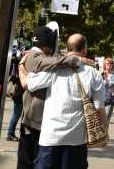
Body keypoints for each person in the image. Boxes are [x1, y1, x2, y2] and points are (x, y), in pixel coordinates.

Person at [27, 34, 105, 169]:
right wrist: (104, 133)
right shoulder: (94, 74)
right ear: (84, 49)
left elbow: (30, 84)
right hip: (77, 140)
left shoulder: (53, 69)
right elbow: (99, 108)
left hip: (50, 138)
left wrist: (22, 67)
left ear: (67, 48)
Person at [17, 26, 90, 169]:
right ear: (47, 44)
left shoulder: (42, 57)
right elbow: (46, 64)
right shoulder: (33, 57)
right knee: (28, 162)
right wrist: (77, 60)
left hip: (39, 122)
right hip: (34, 123)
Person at [6, 52, 24, 141]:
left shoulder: (13, 68)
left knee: (16, 114)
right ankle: (10, 133)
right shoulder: (16, 69)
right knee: (16, 114)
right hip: (18, 94)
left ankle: (11, 133)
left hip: (16, 94)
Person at [101, 58, 114, 124]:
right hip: (100, 99)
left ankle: (105, 133)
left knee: (106, 119)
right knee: (99, 119)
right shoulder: (100, 74)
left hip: (110, 99)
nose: (109, 65)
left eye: (111, 63)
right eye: (107, 63)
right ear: (105, 65)